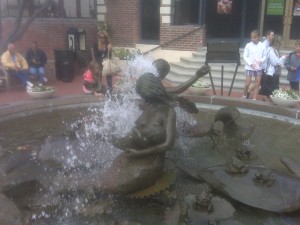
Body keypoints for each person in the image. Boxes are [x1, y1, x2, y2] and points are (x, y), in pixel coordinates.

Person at [259, 35, 287, 102]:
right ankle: (267, 106)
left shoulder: (275, 51)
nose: (280, 45)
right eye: (279, 43)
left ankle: (268, 104)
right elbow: (275, 62)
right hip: (270, 74)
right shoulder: (271, 50)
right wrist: (283, 57)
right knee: (270, 93)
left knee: (272, 93)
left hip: (273, 73)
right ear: (276, 43)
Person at [242, 29, 267, 100]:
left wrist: (261, 61)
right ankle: (244, 95)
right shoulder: (248, 45)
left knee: (257, 83)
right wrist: (250, 63)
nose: (253, 39)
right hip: (249, 67)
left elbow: (265, 56)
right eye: (252, 37)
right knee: (247, 83)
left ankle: (254, 98)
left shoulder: (262, 46)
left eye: (254, 37)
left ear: (259, 37)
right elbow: (245, 56)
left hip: (258, 67)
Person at [91, 31, 113, 95]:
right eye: (100, 37)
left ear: (106, 38)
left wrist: (110, 50)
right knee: (98, 77)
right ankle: (98, 90)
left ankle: (110, 91)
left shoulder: (108, 44)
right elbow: (93, 56)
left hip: (106, 63)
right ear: (98, 37)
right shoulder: (95, 44)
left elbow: (110, 56)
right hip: (98, 63)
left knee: (109, 75)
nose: (102, 39)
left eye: (104, 37)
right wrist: (95, 64)